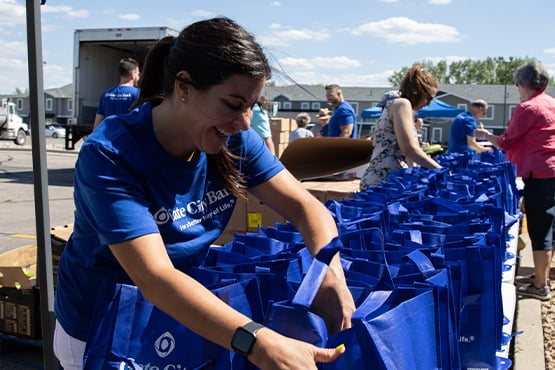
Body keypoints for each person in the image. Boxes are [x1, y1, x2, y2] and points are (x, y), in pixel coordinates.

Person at [52, 17, 355, 370]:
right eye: (232, 104)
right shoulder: (112, 154)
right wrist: (256, 342)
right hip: (101, 331)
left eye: (252, 106)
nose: (244, 122)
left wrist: (329, 273)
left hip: (178, 316)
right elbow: (155, 277)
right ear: (184, 87)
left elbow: (306, 207)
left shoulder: (236, 141)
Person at [475, 59, 555, 301]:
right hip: (551, 171)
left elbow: (507, 141)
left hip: (538, 174)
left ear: (523, 84)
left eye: (518, 86)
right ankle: (542, 277)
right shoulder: (551, 103)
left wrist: (486, 135)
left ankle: (540, 286)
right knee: (550, 226)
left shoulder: (527, 108)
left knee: (541, 230)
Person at [360, 65, 442, 191]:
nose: (428, 103)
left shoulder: (395, 104)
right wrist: (440, 170)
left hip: (386, 182)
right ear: (419, 91)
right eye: (428, 98)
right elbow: (409, 148)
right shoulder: (402, 104)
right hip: (385, 184)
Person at [93, 57, 140, 129]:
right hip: (128, 139)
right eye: (138, 73)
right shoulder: (138, 94)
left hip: (108, 138)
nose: (138, 76)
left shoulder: (105, 94)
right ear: (133, 74)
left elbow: (97, 126)